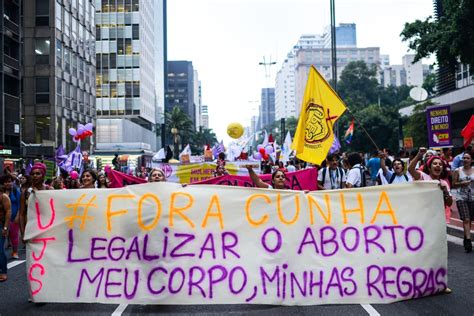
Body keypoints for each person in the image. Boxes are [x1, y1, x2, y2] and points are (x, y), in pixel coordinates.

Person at [408, 148, 453, 217]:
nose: (438, 165)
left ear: (442, 169)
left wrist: (445, 192)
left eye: (440, 164)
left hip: (437, 215)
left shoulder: (444, 183)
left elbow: (449, 204)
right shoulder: (422, 176)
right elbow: (410, 169)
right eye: (435, 163)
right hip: (422, 213)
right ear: (429, 168)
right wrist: (418, 156)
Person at [19, 163, 51, 243]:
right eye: (32, 174)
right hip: (31, 230)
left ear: (43, 175)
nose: (35, 176)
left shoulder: (50, 190)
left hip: (47, 229)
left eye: (38, 173)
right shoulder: (26, 192)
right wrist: (23, 233)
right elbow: (21, 214)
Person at [451, 151, 473, 252]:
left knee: (471, 220)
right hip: (461, 198)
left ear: (472, 160)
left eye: (467, 158)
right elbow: (454, 184)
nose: (465, 160)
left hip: (473, 198)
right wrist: (463, 183)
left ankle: (465, 237)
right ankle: (468, 242)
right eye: (464, 158)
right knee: (466, 219)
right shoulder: (457, 170)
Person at [0, 175, 21, 259]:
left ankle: (15, 252)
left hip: (13, 218)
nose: (8, 183)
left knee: (14, 235)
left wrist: (17, 216)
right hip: (3, 220)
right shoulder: (1, 193)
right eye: (6, 182)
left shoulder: (16, 192)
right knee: (4, 236)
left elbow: (20, 206)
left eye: (9, 181)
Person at [0, 184, 12, 282]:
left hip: (1, 226)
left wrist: (5, 227)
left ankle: (3, 272)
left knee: (0, 250)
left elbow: (8, 211)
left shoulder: (4, 197)